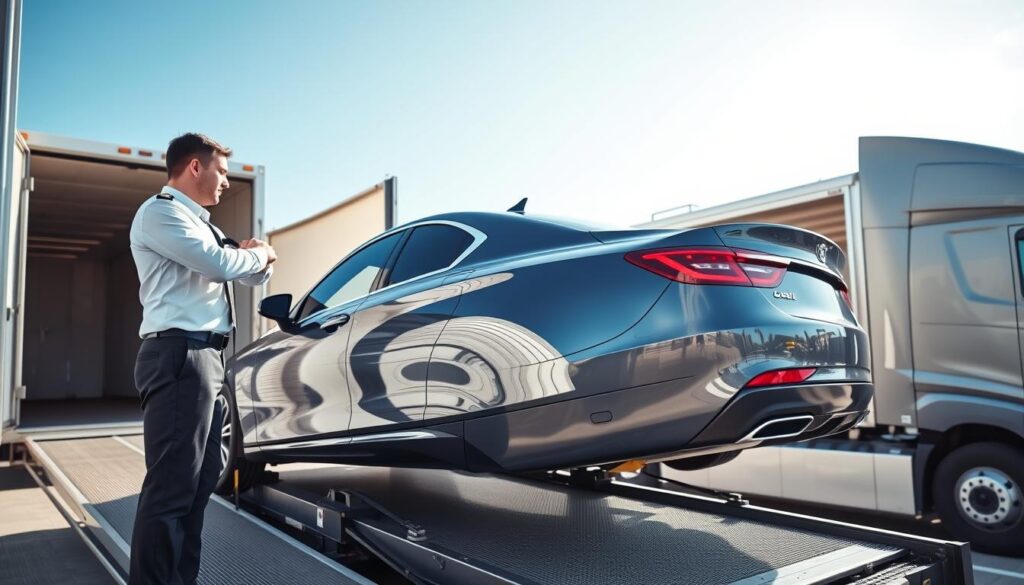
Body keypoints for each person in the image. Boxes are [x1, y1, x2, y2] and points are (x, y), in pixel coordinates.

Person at [127, 133, 275, 585]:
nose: (227, 181)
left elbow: (247, 274)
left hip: (207, 359)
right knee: (171, 490)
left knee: (197, 488)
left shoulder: (202, 224)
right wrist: (259, 253)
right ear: (195, 167)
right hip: (179, 357)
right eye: (223, 171)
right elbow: (219, 265)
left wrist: (251, 258)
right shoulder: (161, 213)